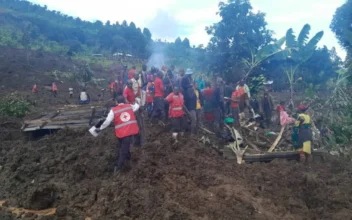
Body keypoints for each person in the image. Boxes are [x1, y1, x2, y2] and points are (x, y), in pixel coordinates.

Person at [95, 96, 140, 174]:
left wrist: (100, 128)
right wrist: (137, 101)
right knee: (124, 150)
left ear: (116, 102)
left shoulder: (113, 110)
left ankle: (127, 161)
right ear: (124, 101)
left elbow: (107, 121)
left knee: (124, 148)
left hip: (120, 134)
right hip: (128, 132)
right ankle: (118, 168)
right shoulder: (129, 106)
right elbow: (137, 106)